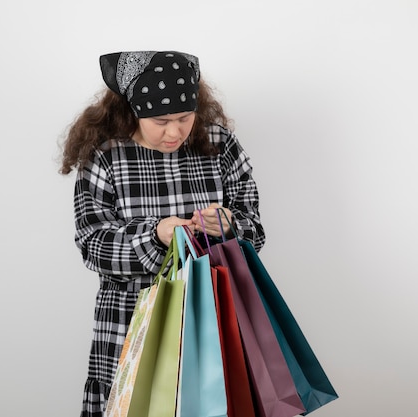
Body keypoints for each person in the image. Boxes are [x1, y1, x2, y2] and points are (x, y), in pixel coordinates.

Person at [59, 50, 266, 417]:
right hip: (131, 323)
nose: (175, 132)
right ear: (133, 112)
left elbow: (255, 230)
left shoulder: (219, 144)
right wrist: (155, 236)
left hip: (214, 318)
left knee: (216, 405)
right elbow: (92, 245)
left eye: (185, 118)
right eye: (161, 121)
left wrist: (230, 225)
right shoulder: (105, 157)